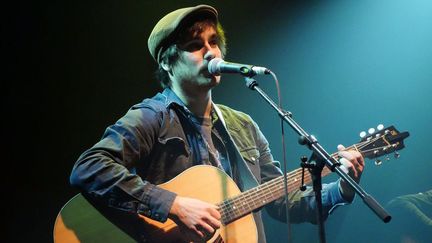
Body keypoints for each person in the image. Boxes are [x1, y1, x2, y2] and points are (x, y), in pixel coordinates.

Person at [70, 4, 364, 243]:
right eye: (196, 45)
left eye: (214, 42)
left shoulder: (242, 126)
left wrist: (342, 189)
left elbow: (282, 201)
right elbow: (89, 168)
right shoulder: (152, 116)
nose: (211, 52)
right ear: (167, 62)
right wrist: (174, 205)